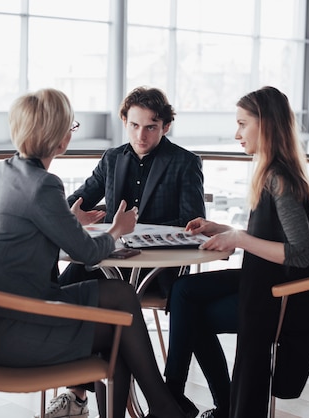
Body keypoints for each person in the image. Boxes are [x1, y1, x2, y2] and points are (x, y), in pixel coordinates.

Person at [0, 88, 190, 418]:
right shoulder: (45, 185)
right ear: (59, 139)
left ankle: (161, 406)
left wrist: (68, 218)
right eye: (71, 127)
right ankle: (164, 407)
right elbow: (88, 252)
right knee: (119, 324)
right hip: (16, 329)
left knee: (120, 296)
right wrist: (117, 229)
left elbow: (29, 222)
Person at [163, 86, 309, 418]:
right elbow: (267, 238)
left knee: (190, 313)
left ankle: (207, 405)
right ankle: (174, 397)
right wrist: (220, 229)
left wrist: (238, 238)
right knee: (183, 292)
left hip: (289, 298)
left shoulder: (279, 179)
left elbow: (300, 254)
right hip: (265, 280)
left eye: (243, 124)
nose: (237, 133)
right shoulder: (269, 172)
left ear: (265, 125)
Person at [49, 86, 206, 418]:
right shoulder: (112, 158)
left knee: (93, 294)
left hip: (158, 271)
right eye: (134, 125)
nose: (142, 135)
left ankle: (80, 393)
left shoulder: (185, 163)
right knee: (70, 282)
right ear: (124, 121)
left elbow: (191, 223)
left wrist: (134, 227)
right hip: (113, 264)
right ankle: (79, 390)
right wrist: (72, 214)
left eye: (150, 127)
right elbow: (75, 202)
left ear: (165, 126)